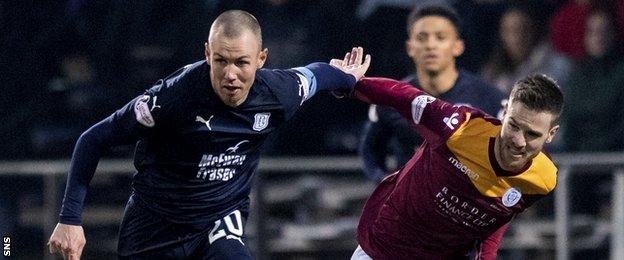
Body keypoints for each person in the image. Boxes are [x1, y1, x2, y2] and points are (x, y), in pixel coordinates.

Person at [47, 10, 369, 259]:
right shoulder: (172, 98)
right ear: (206, 54)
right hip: (154, 227)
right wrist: (70, 219)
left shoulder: (279, 92)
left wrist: (345, 80)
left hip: (219, 222)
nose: (230, 74)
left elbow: (314, 75)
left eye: (242, 62)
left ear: (261, 59)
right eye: (221, 61)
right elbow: (93, 139)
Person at [334, 49, 563, 259]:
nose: (519, 141)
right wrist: (350, 83)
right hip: (385, 248)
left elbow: (500, 212)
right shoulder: (460, 128)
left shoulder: (543, 179)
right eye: (513, 125)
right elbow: (403, 95)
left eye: (532, 134)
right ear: (504, 113)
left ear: (551, 134)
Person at [359, 5, 504, 183]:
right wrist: (384, 182)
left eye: (440, 37)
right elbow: (370, 149)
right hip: (411, 205)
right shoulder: (391, 97)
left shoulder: (489, 98)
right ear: (410, 47)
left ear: (458, 46)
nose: (430, 45)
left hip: (465, 204)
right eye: (422, 38)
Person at [482, 4, 572, 95]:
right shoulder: (493, 73)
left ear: (534, 31)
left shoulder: (559, 66)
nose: (516, 39)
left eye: (522, 30)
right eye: (509, 31)